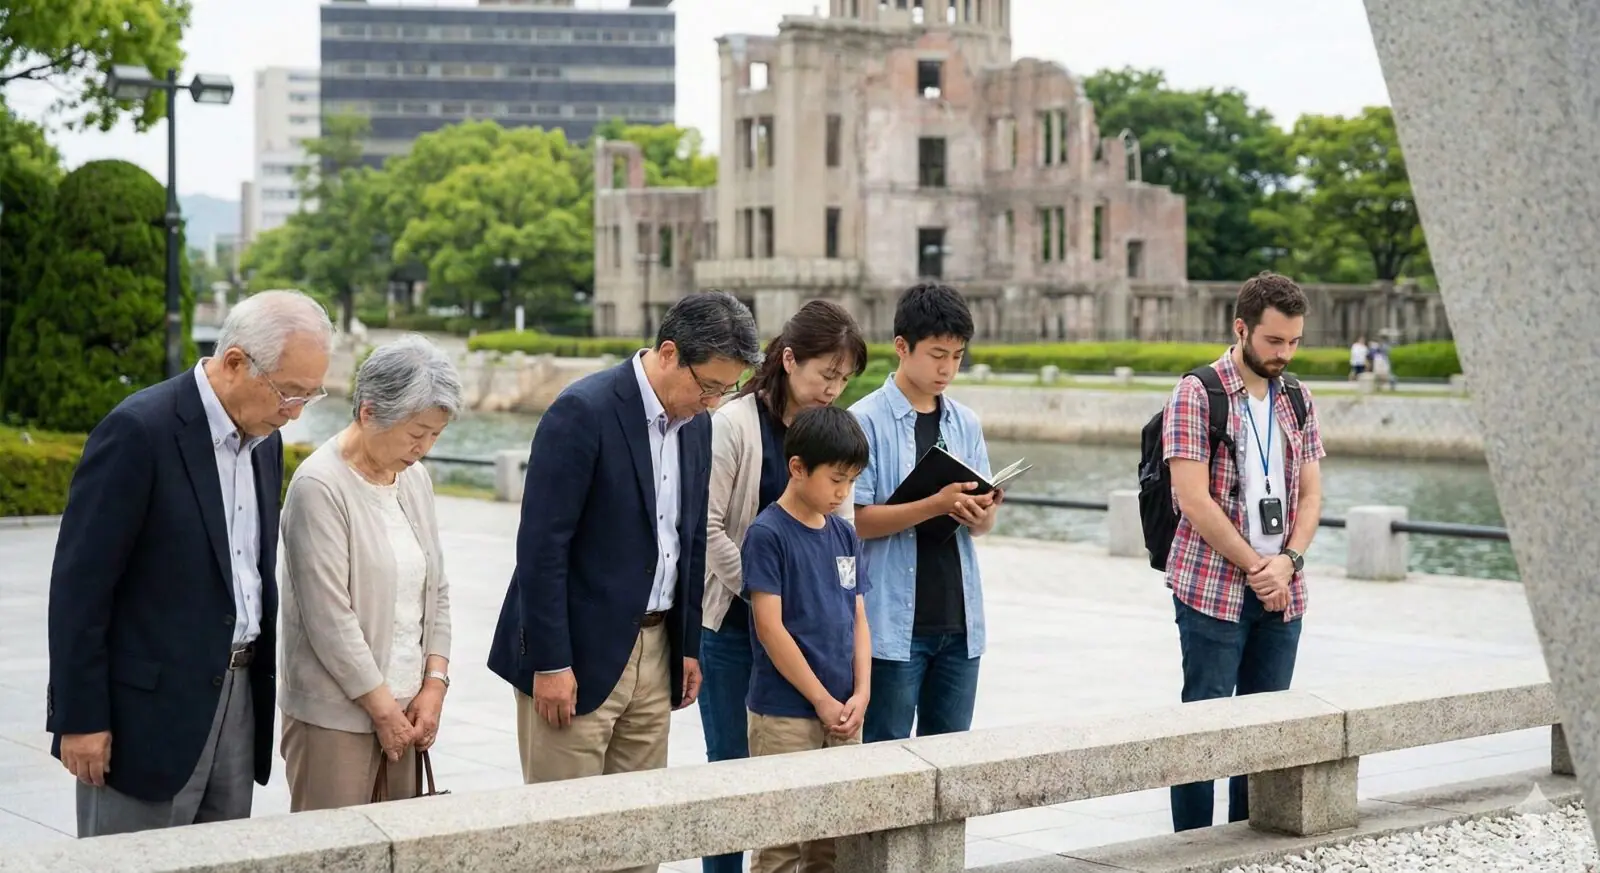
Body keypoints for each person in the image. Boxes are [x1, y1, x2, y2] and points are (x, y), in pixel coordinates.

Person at [486, 291, 762, 873]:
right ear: (668, 353)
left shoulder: (697, 426)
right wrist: (551, 662)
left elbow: (687, 541)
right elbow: (541, 549)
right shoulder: (582, 411)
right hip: (577, 655)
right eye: (708, 386)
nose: (712, 402)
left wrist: (686, 645)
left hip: (657, 649)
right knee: (566, 842)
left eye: (725, 392)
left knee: (638, 841)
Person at [45, 290, 333, 837]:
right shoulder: (139, 431)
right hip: (146, 712)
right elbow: (80, 588)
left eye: (308, 398)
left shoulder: (265, 440)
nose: (293, 413)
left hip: (239, 697)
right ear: (234, 363)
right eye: (289, 393)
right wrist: (79, 719)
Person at [699, 300, 867, 873]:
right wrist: (764, 588)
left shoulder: (833, 435)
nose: (833, 388)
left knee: (818, 809)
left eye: (844, 379)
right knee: (733, 774)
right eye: (827, 374)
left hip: (811, 638)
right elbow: (706, 523)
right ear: (790, 360)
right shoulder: (734, 424)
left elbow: (843, 524)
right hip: (734, 622)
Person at [1160, 271, 1326, 831]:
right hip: (1213, 587)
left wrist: (1288, 562)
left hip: (1283, 589)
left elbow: (1312, 492)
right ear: (1241, 328)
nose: (1284, 353)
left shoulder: (1298, 397)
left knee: (1265, 732)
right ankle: (1191, 851)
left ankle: (1248, 847)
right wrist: (1257, 565)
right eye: (1274, 341)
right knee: (1203, 730)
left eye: (1294, 341)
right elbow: (1191, 497)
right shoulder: (1198, 392)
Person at [277, 335, 461, 811]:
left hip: (407, 708)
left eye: (435, 435)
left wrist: (434, 684)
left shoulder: (414, 478)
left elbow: (435, 587)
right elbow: (328, 619)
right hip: (337, 718)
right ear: (368, 411)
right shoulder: (320, 485)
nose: (423, 448)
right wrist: (382, 709)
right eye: (415, 431)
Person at [849, 282, 1002, 743]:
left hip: (960, 626)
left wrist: (980, 514)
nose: (947, 368)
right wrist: (934, 504)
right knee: (885, 767)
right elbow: (855, 521)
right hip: (892, 627)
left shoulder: (965, 422)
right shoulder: (864, 421)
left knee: (952, 766)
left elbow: (985, 524)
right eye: (937, 354)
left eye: (957, 356)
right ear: (902, 346)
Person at [742, 405, 873, 873]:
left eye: (851, 480)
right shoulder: (767, 533)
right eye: (836, 479)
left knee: (832, 842)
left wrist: (862, 693)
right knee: (780, 843)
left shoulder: (843, 533)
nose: (843, 492)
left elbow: (858, 616)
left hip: (843, 711)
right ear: (797, 468)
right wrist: (819, 699)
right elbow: (770, 629)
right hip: (785, 713)